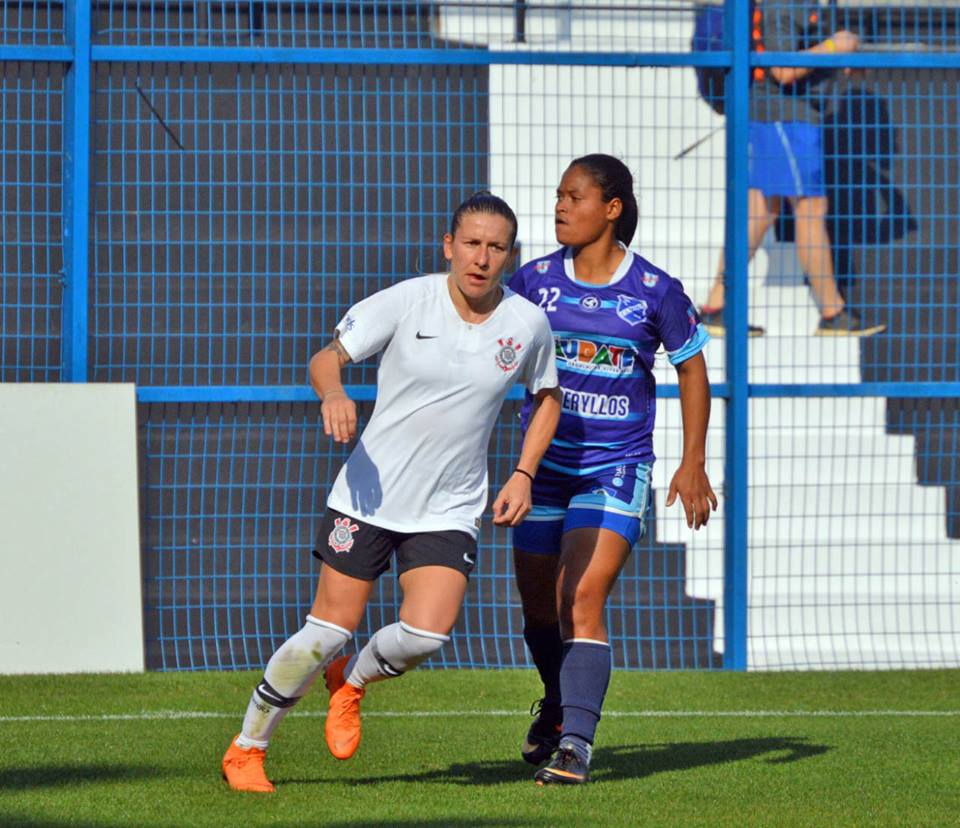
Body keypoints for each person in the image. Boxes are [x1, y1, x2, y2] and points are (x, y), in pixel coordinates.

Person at [221, 192, 562, 793]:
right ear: (449, 246)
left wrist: (524, 472)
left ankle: (349, 683)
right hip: (368, 498)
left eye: (496, 247)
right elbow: (327, 358)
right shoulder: (408, 300)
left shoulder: (526, 323)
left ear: (510, 256)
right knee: (326, 631)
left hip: (450, 506)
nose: (481, 257)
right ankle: (247, 748)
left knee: (426, 635)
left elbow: (547, 398)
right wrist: (333, 394)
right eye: (472, 243)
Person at [508, 154, 717, 785]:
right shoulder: (533, 281)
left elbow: (691, 368)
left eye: (575, 196)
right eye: (558, 196)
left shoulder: (654, 291)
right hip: (542, 468)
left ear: (612, 208)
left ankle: (575, 746)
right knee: (541, 611)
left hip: (615, 467)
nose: (561, 206)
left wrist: (693, 462)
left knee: (582, 597)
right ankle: (556, 703)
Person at [700, 1, 885, 338]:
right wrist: (835, 46)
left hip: (781, 116)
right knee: (809, 209)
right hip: (785, 118)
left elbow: (799, 56)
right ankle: (833, 311)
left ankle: (717, 306)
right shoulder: (786, 3)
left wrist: (839, 57)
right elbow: (783, 68)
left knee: (759, 211)